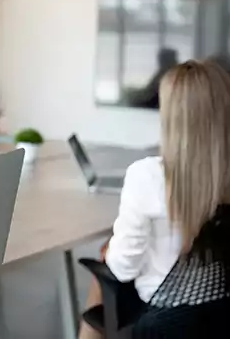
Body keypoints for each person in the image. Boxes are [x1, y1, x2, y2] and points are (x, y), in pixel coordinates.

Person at [78, 59, 230, 339]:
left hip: (162, 318)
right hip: (221, 311)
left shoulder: (147, 176)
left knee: (106, 261)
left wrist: (112, 250)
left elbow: (123, 269)